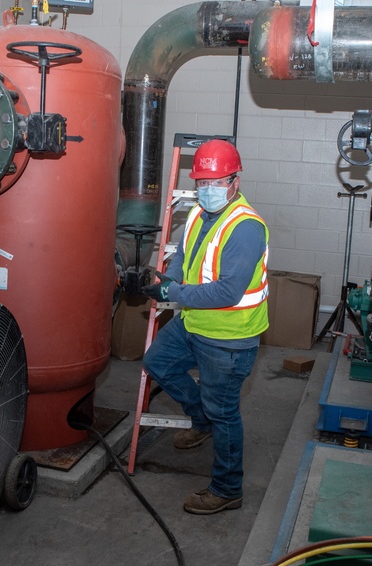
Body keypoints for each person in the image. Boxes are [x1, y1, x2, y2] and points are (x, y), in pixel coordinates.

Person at [140, 139, 269, 515]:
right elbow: (183, 255)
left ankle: (228, 489)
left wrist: (174, 291)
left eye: (216, 182)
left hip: (229, 338)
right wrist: (170, 279)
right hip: (194, 322)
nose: (207, 190)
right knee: (157, 363)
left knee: (225, 411)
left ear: (235, 180)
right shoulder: (198, 213)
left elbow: (229, 290)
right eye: (202, 183)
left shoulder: (246, 227)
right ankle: (201, 419)